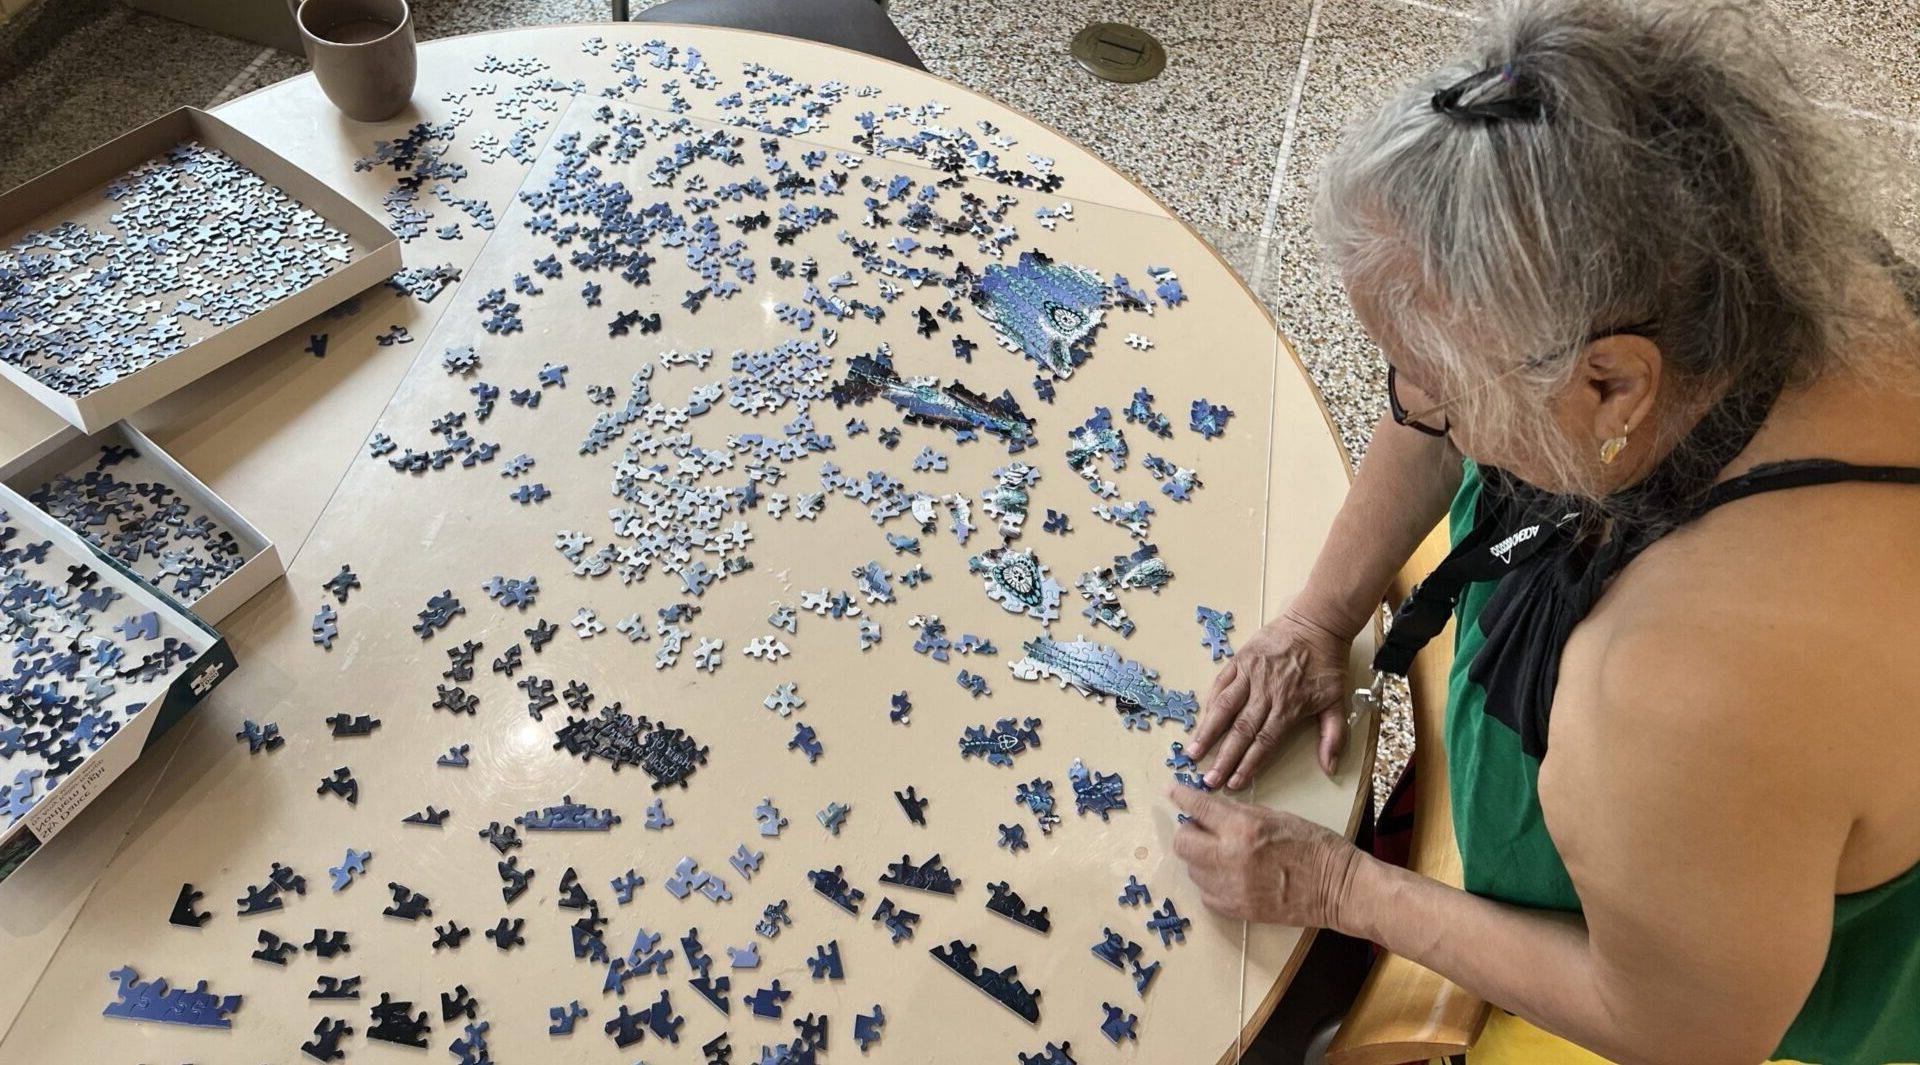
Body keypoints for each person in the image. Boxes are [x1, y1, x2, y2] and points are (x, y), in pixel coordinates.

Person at [1167, 1, 1920, 1062]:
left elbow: (1687, 1030)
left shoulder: (1677, 690)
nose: (1413, 408)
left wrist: (1338, 884)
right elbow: (1438, 399)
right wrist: (1319, 615)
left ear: (1612, 386)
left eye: (1435, 391)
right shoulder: (1740, 268)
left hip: (1732, 973)